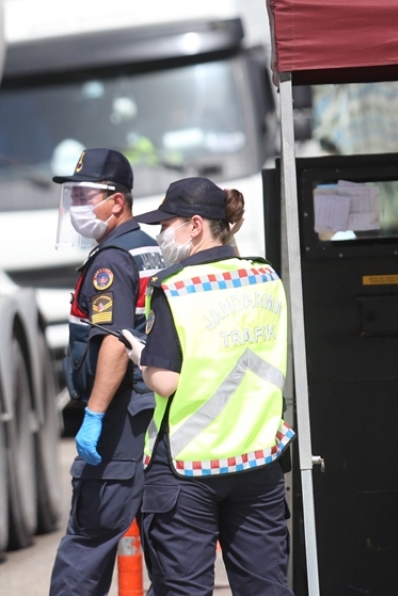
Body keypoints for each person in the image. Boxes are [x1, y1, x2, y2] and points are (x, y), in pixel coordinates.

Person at [124, 177, 294, 596]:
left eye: (169, 223)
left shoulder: (175, 287)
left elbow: (165, 382)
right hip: (257, 459)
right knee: (266, 588)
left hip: (188, 468)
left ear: (195, 225)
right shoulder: (265, 277)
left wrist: (139, 358)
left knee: (184, 590)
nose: (163, 233)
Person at [49, 148, 166, 596]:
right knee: (170, 560)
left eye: (84, 194)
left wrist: (94, 415)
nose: (76, 205)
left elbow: (116, 341)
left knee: (87, 543)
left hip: (120, 421)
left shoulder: (113, 259)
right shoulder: (148, 248)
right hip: (151, 411)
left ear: (116, 201)